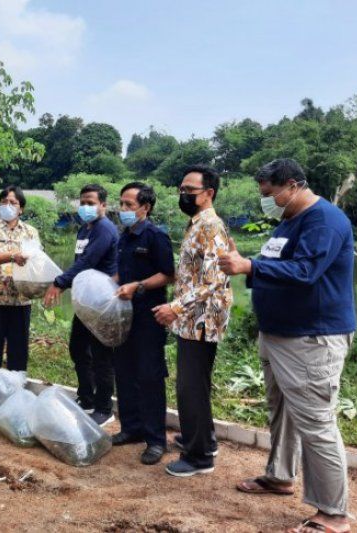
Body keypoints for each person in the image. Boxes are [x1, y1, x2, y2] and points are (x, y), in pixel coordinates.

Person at [219, 159, 355, 533]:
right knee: (282, 411)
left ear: (292, 185)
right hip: (280, 336)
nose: (268, 200)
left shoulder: (323, 221)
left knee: (316, 422)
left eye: (269, 193)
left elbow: (305, 271)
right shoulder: (290, 220)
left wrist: (249, 266)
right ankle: (279, 477)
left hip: (311, 339)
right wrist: (249, 263)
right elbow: (275, 261)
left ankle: (333, 513)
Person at [153, 165, 233, 477]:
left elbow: (213, 280)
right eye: (182, 189)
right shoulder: (197, 224)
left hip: (202, 318)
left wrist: (175, 306)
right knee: (194, 384)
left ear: (209, 193)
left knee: (190, 387)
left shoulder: (210, 226)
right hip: (193, 318)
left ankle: (199, 458)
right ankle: (204, 440)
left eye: (191, 190)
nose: (183, 195)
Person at [44, 184, 119, 427]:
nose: (85, 207)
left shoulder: (105, 230)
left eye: (91, 202)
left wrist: (60, 282)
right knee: (78, 349)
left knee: (101, 357)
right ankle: (86, 398)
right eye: (83, 202)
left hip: (102, 303)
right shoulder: (85, 230)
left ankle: (104, 408)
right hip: (87, 302)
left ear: (103, 205)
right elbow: (80, 262)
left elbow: (88, 262)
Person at [112, 182, 175, 465]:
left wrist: (137, 286)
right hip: (123, 316)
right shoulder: (123, 236)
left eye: (128, 205)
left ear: (145, 207)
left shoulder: (155, 236)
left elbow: (168, 275)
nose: (123, 209)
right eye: (121, 204)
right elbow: (120, 273)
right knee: (124, 371)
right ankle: (131, 428)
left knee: (149, 376)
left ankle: (156, 440)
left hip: (148, 316)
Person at [0, 186, 39, 376]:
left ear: (22, 209)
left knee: (18, 352)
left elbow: (36, 260)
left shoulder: (30, 232)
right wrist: (14, 256)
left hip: (21, 299)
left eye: (13, 202)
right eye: (4, 202)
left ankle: (16, 393)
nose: (8, 205)